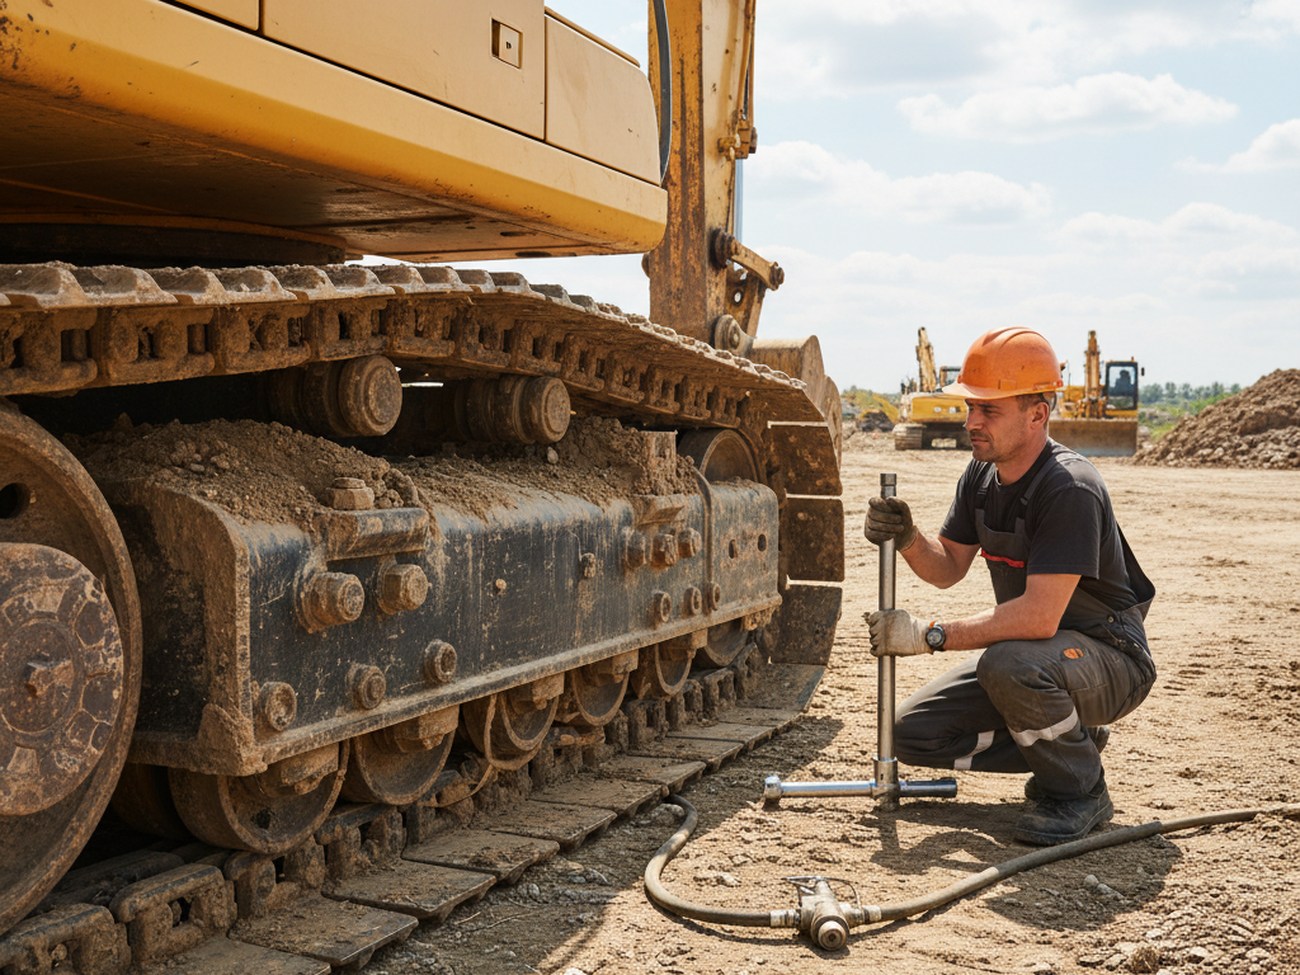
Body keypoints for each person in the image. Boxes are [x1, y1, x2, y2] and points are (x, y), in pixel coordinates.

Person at [864, 326, 1156, 845]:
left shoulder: (1069, 488)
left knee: (1008, 663)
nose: (971, 422)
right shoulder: (981, 475)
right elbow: (947, 567)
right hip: (1042, 660)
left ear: (1037, 415)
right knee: (911, 733)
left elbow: (1038, 618)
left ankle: (1079, 791)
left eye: (988, 410)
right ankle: (1073, 741)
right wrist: (907, 538)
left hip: (1111, 659)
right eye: (970, 407)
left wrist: (928, 635)